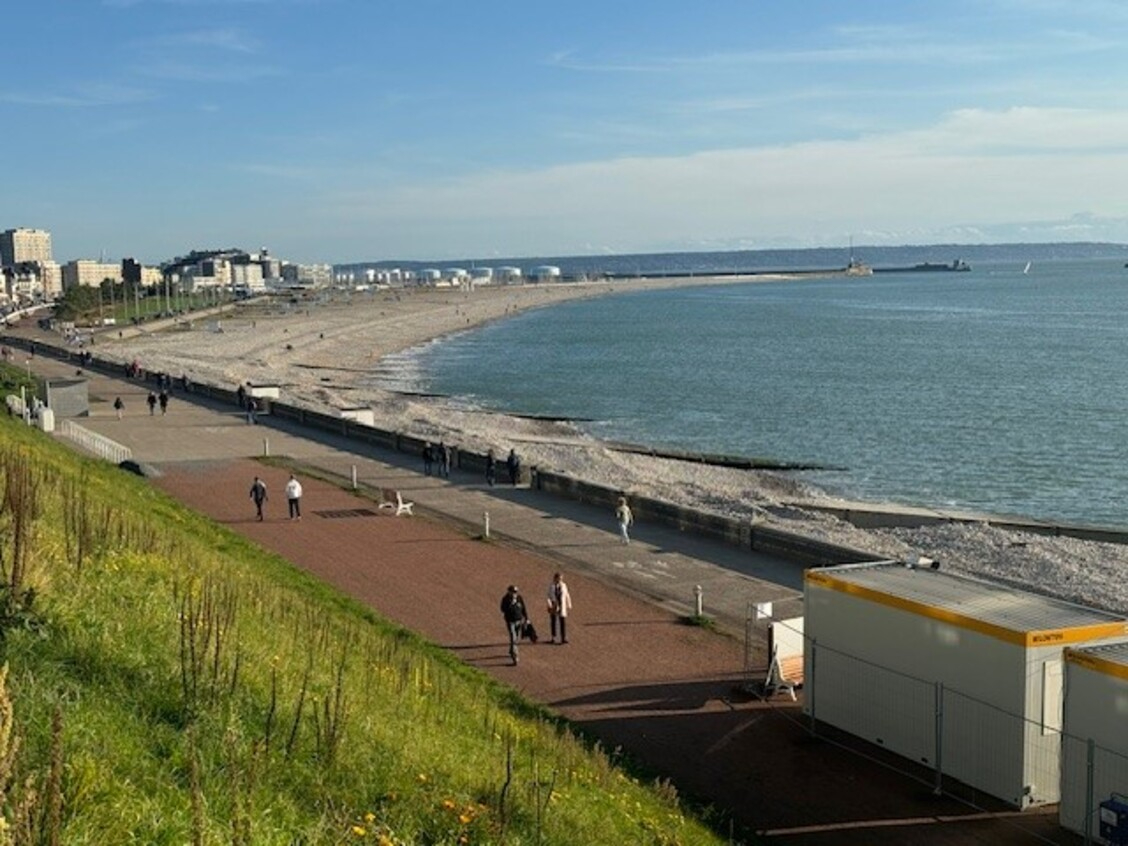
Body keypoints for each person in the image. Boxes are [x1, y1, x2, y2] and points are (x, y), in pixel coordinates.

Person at [499, 585, 528, 666]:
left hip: (519, 621)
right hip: (510, 621)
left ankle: (511, 650)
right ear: (509, 592)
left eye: (515, 592)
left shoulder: (519, 598)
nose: (514, 594)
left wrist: (526, 618)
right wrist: (511, 604)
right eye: (513, 592)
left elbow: (524, 608)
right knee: (513, 638)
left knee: (516, 638)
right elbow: (502, 609)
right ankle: (515, 657)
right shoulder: (505, 599)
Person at [546, 572, 573, 644]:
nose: (560, 580)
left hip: (562, 606)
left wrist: (568, 604)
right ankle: (553, 637)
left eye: (561, 579)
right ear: (555, 578)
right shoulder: (551, 586)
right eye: (558, 579)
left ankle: (563, 637)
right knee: (553, 622)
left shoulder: (564, 586)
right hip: (554, 605)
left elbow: (567, 594)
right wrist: (550, 605)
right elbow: (548, 596)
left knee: (562, 622)